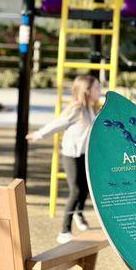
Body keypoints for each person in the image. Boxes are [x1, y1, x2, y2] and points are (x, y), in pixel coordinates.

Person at [26, 75, 101, 244]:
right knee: (75, 190)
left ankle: (78, 213)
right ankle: (64, 231)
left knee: (86, 188)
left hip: (84, 155)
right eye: (97, 88)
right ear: (87, 91)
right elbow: (58, 124)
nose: (100, 91)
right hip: (71, 155)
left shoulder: (90, 108)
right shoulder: (76, 109)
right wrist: (39, 134)